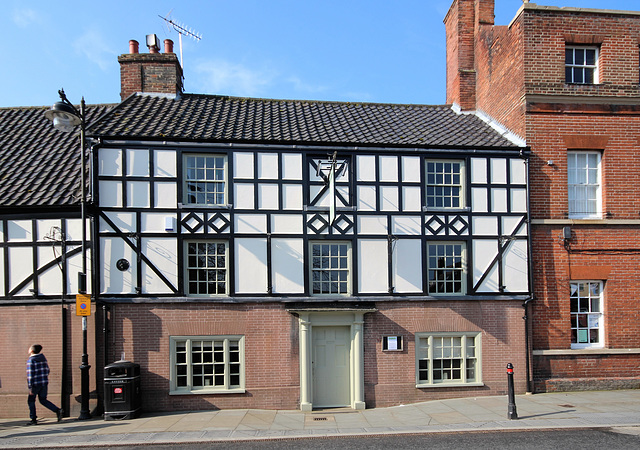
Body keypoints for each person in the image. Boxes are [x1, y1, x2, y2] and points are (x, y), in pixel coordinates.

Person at [26, 344, 63, 425]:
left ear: (32, 350)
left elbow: (30, 375)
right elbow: (47, 370)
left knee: (31, 401)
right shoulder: (43, 359)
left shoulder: (31, 360)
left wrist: (30, 387)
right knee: (43, 400)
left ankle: (33, 419)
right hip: (44, 383)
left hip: (35, 384)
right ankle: (57, 410)